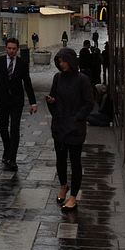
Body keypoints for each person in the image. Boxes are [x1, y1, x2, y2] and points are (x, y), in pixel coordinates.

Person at [46, 48, 94, 212]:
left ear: (71, 61)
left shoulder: (82, 80)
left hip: (74, 128)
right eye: (59, 61)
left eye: (64, 61)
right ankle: (63, 186)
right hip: (59, 125)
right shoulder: (57, 78)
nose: (62, 64)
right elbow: (54, 97)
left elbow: (89, 103)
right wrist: (51, 102)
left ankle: (73, 196)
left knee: (75, 162)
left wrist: (77, 118)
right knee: (60, 159)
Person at [0, 38, 37, 171]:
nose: (11, 51)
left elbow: (27, 83)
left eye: (14, 49)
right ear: (6, 48)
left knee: (15, 128)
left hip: (17, 101)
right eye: (9, 48)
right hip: (2, 100)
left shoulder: (22, 63)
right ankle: (7, 148)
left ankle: (12, 158)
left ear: (17, 49)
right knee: (3, 127)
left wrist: (33, 102)